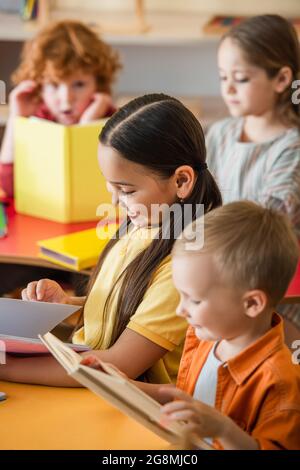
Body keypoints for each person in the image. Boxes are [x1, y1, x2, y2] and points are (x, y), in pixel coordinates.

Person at [0, 93, 222, 387]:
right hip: (91, 377)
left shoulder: (186, 263)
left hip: (127, 401)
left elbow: (118, 365)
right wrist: (70, 303)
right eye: (111, 189)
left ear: (181, 181)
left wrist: (6, 368)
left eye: (126, 191)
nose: (116, 203)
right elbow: (125, 306)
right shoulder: (145, 223)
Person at [84, 201, 300, 450]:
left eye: (195, 300)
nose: (180, 310)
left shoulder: (280, 385)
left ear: (252, 303)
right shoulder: (207, 339)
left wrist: (223, 429)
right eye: (181, 295)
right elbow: (187, 397)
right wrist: (123, 385)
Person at [206, 15, 300, 343]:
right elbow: (200, 202)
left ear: (281, 79)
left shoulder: (292, 147)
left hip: (274, 293)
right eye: (222, 77)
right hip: (218, 273)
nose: (228, 89)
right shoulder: (219, 134)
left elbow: (266, 231)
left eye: (241, 78)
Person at [0, 19, 121, 197]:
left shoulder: (114, 120)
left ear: (98, 84)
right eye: (54, 85)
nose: (66, 100)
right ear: (38, 85)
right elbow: (7, 186)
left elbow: (112, 190)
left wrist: (86, 129)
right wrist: (15, 119)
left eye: (79, 84)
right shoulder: (39, 119)